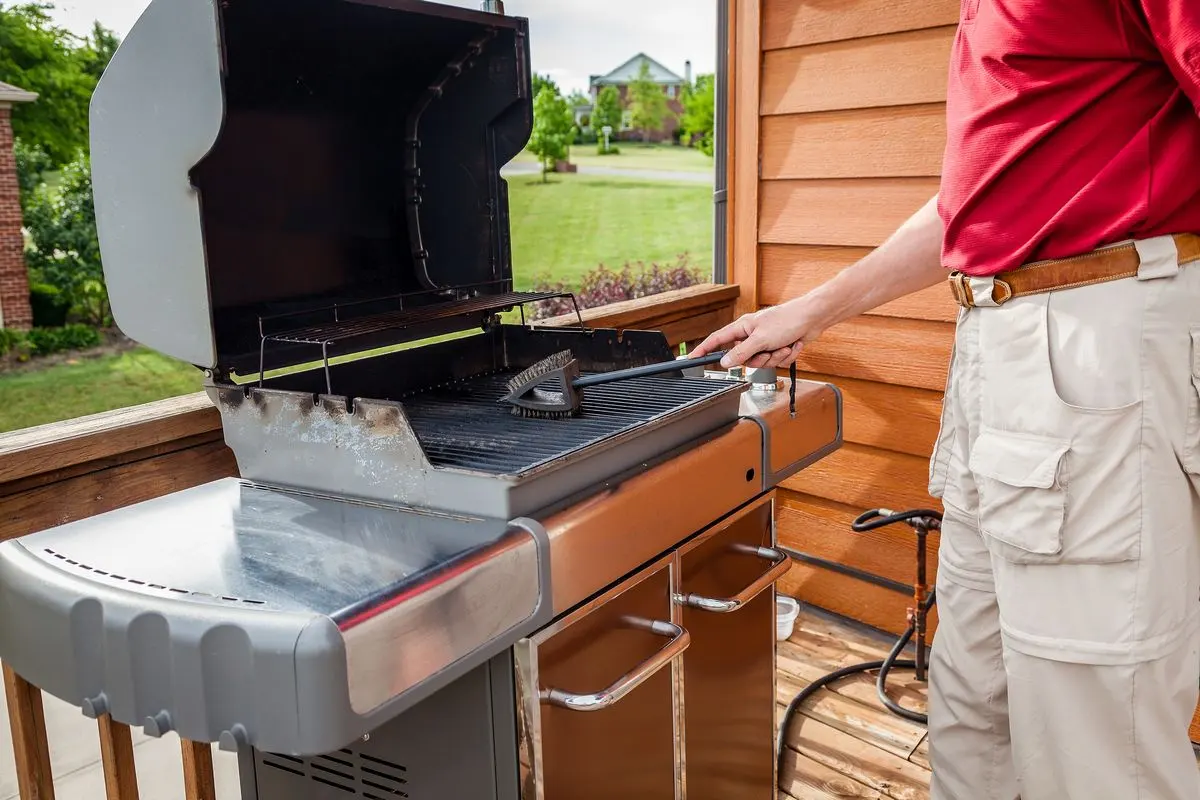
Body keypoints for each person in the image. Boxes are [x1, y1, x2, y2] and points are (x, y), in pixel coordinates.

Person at [690, 3, 1200, 799]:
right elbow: (975, 207)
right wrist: (810, 311)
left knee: (1097, 746)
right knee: (971, 705)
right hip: (998, 349)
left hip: (1093, 343)